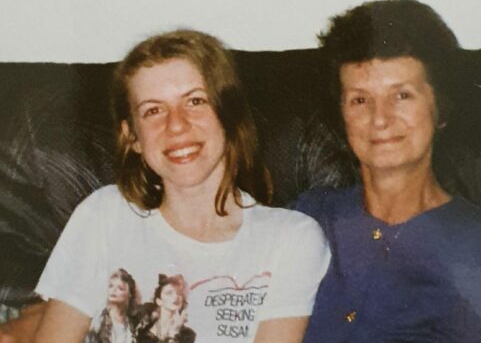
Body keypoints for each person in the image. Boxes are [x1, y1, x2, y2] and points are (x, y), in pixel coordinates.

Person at [28, 29, 330, 343]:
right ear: (132, 137)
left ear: (230, 114)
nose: (175, 125)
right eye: (153, 110)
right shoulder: (104, 214)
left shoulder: (291, 239)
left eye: (195, 101)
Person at [295, 0, 481, 343]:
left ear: (440, 108)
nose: (380, 118)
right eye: (359, 100)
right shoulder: (310, 216)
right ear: (340, 116)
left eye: (402, 95)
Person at [135, 274, 195, 343]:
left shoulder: (188, 335)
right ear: (159, 301)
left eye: (179, 293)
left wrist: (174, 332)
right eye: (169, 293)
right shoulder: (143, 331)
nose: (175, 297)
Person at [85, 269, 138, 343]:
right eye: (111, 286)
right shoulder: (98, 319)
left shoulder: (132, 326)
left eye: (120, 288)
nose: (114, 290)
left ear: (129, 294)